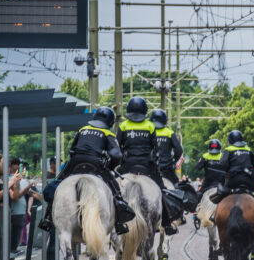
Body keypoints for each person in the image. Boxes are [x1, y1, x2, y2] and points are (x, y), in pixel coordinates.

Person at [39, 106, 135, 235]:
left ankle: (48, 217)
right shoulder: (108, 133)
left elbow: (72, 149)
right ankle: (119, 223)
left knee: (58, 183)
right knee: (115, 189)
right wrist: (110, 167)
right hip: (96, 164)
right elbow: (117, 155)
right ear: (110, 122)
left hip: (76, 163)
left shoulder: (83, 129)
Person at [116, 97, 180, 234]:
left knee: (114, 190)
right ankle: (167, 223)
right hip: (147, 166)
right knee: (161, 190)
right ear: (145, 112)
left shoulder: (123, 125)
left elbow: (117, 148)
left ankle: (115, 221)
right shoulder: (150, 126)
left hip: (127, 166)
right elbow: (155, 149)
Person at [215, 130, 254, 224]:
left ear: (230, 140)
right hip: (249, 181)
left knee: (221, 195)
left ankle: (214, 217)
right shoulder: (248, 150)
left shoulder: (228, 150)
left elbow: (222, 165)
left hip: (233, 181)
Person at [7, 157, 36, 260]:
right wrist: (26, 187)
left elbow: (25, 194)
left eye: (20, 165)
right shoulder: (10, 180)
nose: (18, 168)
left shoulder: (19, 179)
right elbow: (15, 196)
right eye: (16, 165)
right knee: (12, 241)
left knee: (15, 242)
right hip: (14, 213)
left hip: (20, 213)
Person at [151, 108, 183, 186]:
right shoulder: (169, 133)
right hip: (166, 168)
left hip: (150, 167)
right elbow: (179, 150)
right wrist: (173, 161)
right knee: (176, 185)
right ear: (164, 120)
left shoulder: (149, 131)